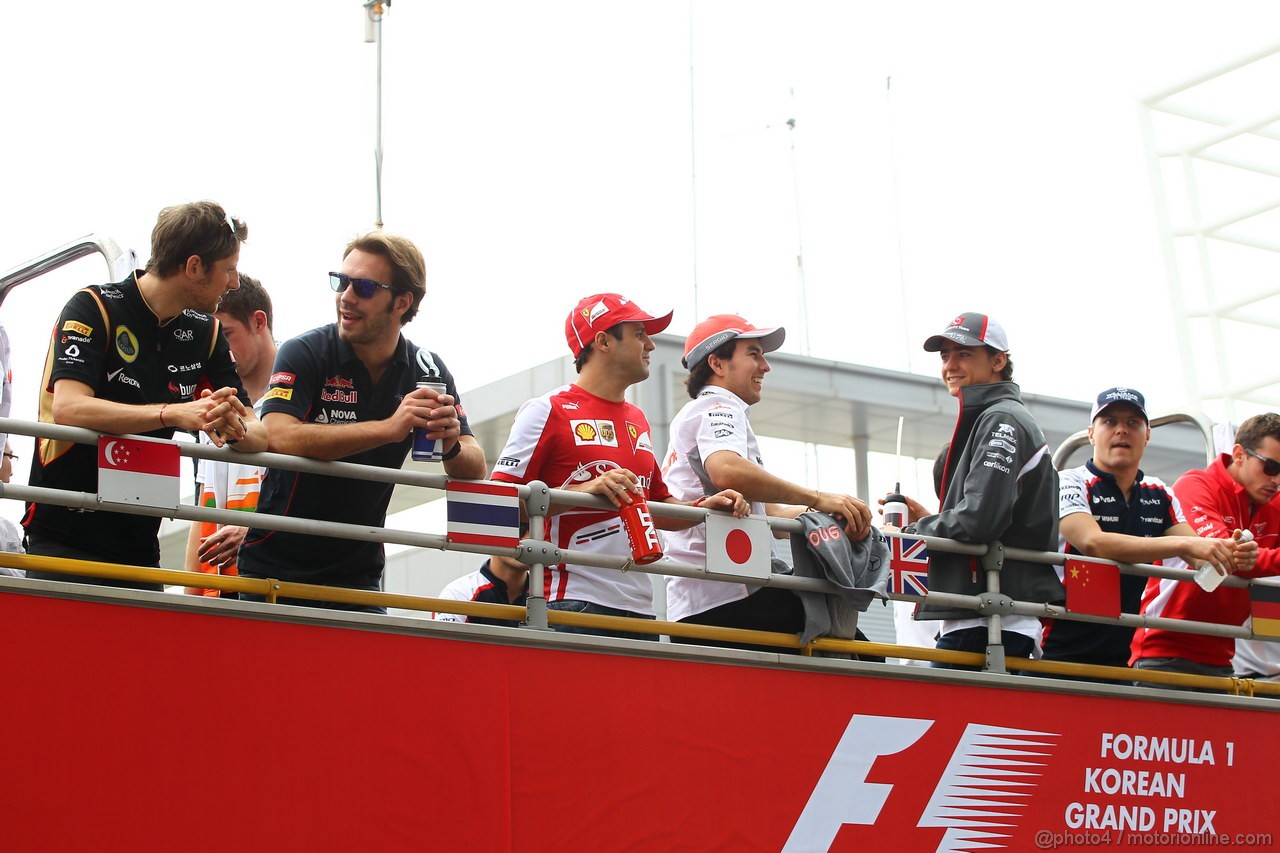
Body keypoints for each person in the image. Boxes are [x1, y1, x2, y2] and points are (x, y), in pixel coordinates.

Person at [236, 232, 487, 612]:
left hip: (358, 575)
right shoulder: (305, 351)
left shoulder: (428, 369)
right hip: (275, 565)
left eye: (364, 287)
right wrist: (390, 427)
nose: (346, 296)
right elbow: (277, 434)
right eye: (341, 281)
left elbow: (474, 466)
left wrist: (451, 443)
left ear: (402, 302)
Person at [23, 201, 266, 589]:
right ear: (193, 267)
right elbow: (68, 408)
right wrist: (172, 414)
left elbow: (257, 431)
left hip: (139, 547)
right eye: (229, 270)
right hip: (64, 538)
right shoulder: (93, 307)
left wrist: (233, 425)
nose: (234, 283)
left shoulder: (206, 333)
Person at [489, 293, 747, 639]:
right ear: (602, 341)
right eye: (640, 333)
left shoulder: (636, 418)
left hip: (641, 609)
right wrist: (584, 491)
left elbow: (656, 503)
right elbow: (494, 506)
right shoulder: (546, 409)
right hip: (573, 603)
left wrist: (703, 509)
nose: (651, 345)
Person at [661, 314, 872, 649]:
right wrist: (819, 499)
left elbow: (769, 516)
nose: (765, 366)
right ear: (717, 363)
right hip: (729, 598)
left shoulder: (702, 412)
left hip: (706, 601)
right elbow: (726, 470)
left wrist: (825, 515)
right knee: (861, 655)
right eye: (754, 354)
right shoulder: (719, 405)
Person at [894, 312, 1061, 663]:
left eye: (964, 354)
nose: (950, 365)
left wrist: (911, 532)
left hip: (992, 620)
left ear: (998, 361)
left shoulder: (1002, 418)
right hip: (986, 617)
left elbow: (978, 520)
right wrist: (928, 521)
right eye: (945, 356)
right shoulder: (995, 416)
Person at [1042, 387, 1239, 671]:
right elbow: (1094, 543)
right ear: (1091, 434)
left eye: (1133, 423)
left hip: (1123, 659)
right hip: (1056, 652)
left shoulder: (1159, 492)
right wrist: (1185, 546)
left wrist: (1232, 554)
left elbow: (1200, 558)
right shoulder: (1067, 481)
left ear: (1147, 435)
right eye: (1109, 422)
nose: (1121, 430)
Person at [1131, 413, 1274, 681]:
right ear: (1239, 454)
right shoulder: (1196, 485)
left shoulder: (1271, 502)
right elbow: (1225, 559)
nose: (1277, 480)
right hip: (1163, 653)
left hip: (1222, 657)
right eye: (1271, 467)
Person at [184, 273, 277, 596]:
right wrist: (191, 598)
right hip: (220, 594)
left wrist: (256, 530)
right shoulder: (214, 404)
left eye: (226, 335)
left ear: (259, 322)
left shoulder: (298, 401)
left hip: (273, 590)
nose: (219, 351)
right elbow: (202, 511)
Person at [431, 534, 530, 628]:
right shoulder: (458, 593)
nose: (527, 539)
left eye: (536, 534)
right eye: (519, 530)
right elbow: (445, 645)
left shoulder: (544, 596)